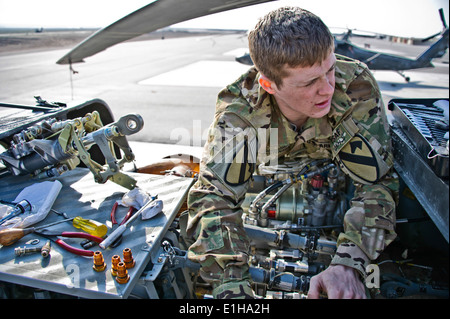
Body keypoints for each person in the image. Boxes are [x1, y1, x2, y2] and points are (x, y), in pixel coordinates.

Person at [186, 6, 398, 299]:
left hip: (336, 180)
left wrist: (349, 263)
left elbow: (378, 183)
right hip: (269, 178)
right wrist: (232, 286)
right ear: (269, 85)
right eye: (310, 82)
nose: (327, 89)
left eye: (330, 69)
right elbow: (214, 196)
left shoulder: (354, 87)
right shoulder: (241, 110)